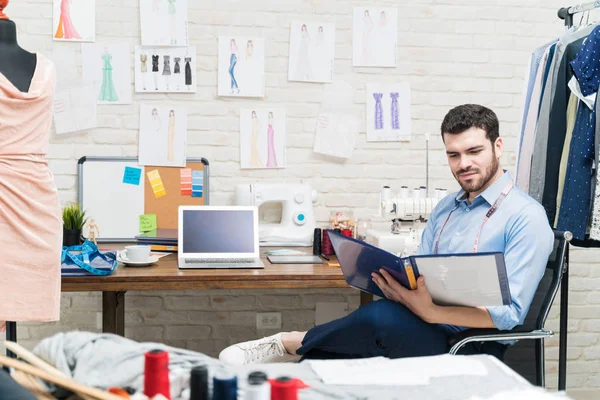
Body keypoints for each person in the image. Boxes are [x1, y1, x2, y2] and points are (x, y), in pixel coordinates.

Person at [218, 104, 555, 365]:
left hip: (475, 343)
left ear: (497, 147)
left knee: (379, 320)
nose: (463, 163)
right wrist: (399, 283)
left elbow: (509, 316)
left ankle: (289, 341)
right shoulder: (446, 208)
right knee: (334, 357)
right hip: (427, 322)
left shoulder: (526, 218)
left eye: (474, 151)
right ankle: (301, 357)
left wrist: (430, 312)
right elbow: (423, 269)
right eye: (453, 155)